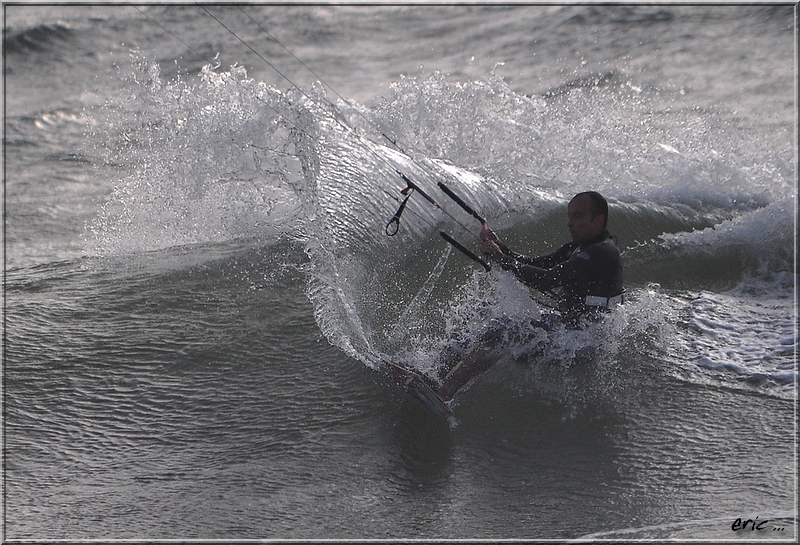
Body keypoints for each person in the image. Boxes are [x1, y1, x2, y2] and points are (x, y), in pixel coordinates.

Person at [436, 191, 624, 401]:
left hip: (582, 343)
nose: (570, 223)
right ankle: (435, 374)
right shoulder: (577, 248)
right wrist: (502, 249)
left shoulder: (603, 252)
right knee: (484, 310)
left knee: (502, 331)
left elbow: (546, 279)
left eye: (577, 216)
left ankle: (445, 393)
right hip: (564, 328)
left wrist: (503, 260)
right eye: (569, 216)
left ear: (598, 219)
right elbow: (538, 264)